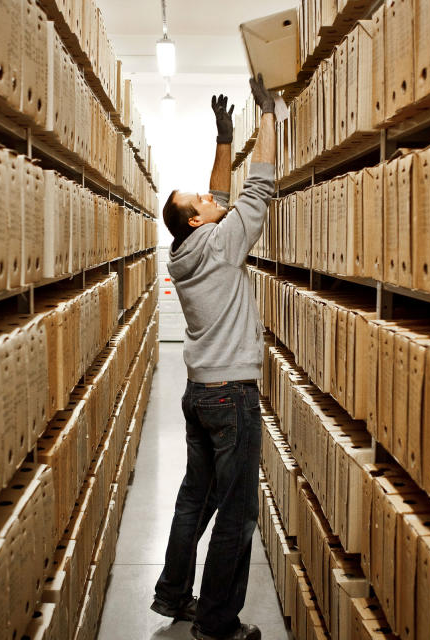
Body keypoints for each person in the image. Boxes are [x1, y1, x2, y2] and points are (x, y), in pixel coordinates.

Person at [151, 75, 277, 640]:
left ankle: (174, 594)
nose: (209, 199)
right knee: (237, 513)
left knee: (191, 499)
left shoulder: (186, 250)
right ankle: (218, 624)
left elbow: (221, 201)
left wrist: (224, 141)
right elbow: (259, 190)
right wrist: (268, 115)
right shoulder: (224, 244)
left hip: (199, 391)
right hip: (232, 396)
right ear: (199, 222)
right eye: (200, 201)